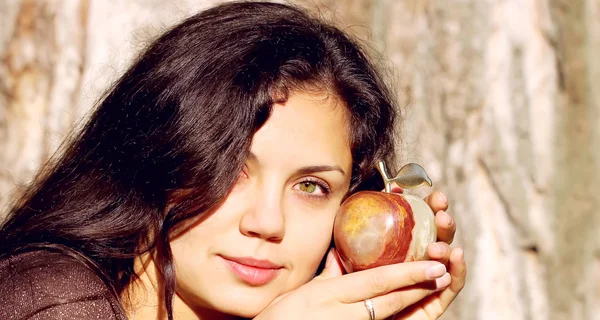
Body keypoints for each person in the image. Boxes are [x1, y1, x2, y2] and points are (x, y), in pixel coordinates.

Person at [0, 1, 466, 319]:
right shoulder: (52, 298)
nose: (267, 223)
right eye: (232, 168)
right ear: (156, 156)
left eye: (311, 187)